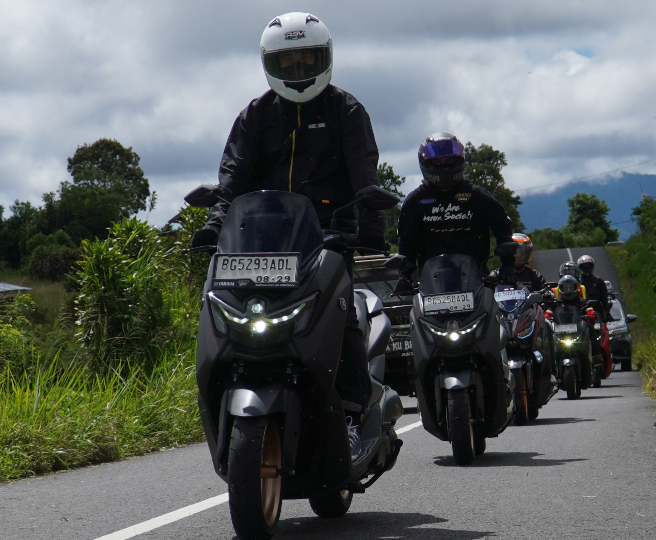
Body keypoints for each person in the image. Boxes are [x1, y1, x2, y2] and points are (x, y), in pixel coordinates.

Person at [190, 12, 384, 460]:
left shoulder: (347, 111)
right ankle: (224, 397)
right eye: (287, 60)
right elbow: (232, 181)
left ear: (326, 58)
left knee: (344, 321)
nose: (298, 68)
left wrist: (370, 230)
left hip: (328, 242)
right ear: (269, 64)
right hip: (260, 247)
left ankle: (353, 415)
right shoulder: (255, 117)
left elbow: (364, 180)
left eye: (307, 57)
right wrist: (213, 225)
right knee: (229, 318)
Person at [394, 133, 515, 293]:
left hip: (477, 281)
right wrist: (405, 277)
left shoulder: (477, 196)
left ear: (459, 161)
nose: (444, 168)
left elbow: (503, 228)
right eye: (437, 162)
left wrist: (507, 267)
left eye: (449, 162)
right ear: (426, 163)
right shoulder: (415, 202)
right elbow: (406, 245)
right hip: (430, 286)